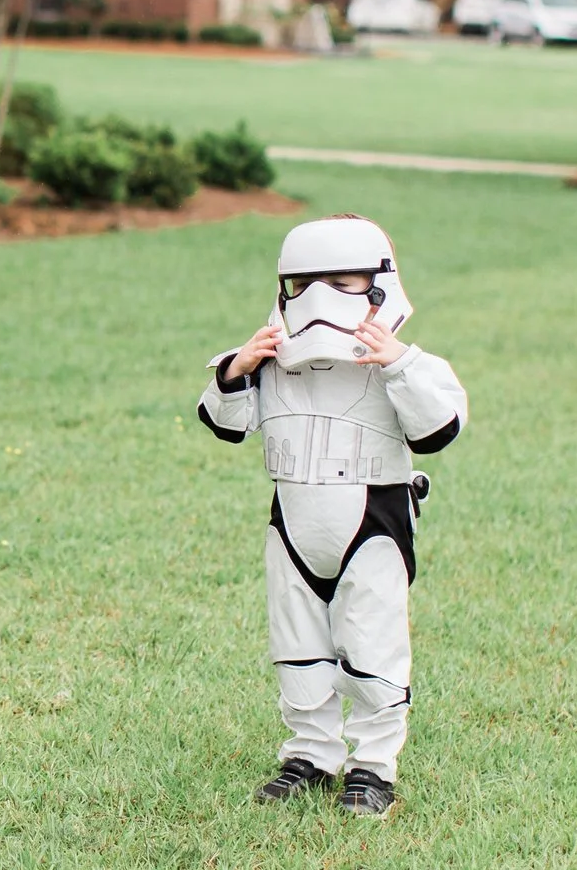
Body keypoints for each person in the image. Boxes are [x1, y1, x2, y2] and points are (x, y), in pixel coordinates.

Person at [196, 215, 468, 819]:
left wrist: (396, 364)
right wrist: (236, 370)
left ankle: (373, 767)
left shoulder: (410, 365)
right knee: (296, 646)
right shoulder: (270, 361)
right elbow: (224, 423)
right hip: (292, 526)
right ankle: (310, 754)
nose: (321, 299)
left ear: (379, 286)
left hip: (372, 526)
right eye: (305, 284)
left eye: (342, 282)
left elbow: (438, 431)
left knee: (372, 646)